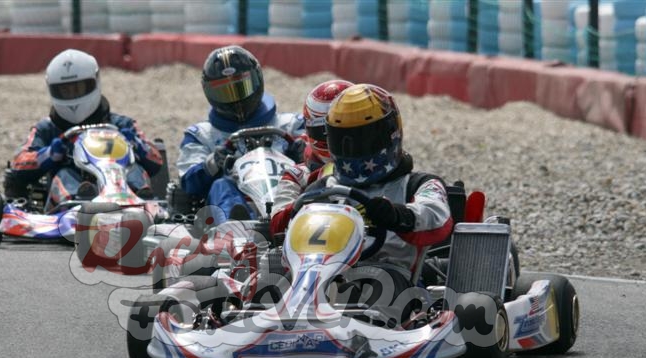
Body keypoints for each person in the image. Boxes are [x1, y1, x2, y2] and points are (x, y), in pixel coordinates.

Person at [271, 84, 454, 309]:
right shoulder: (323, 188)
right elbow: (284, 230)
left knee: (379, 285)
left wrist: (398, 215)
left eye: (363, 139)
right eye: (343, 140)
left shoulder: (416, 184)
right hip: (318, 272)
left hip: (388, 274)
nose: (353, 149)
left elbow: (437, 218)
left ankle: (354, 323)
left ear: (390, 134)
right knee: (271, 280)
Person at [9, 49, 164, 209]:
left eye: (78, 88)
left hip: (119, 181)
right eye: (65, 91)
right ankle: (78, 201)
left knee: (135, 169)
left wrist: (136, 144)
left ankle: (141, 196)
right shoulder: (47, 129)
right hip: (72, 201)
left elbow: (157, 160)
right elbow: (19, 164)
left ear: (94, 83)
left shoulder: (122, 124)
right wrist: (49, 154)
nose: (72, 95)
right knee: (65, 174)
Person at [177, 45, 306, 225]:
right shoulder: (202, 135)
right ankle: (236, 228)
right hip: (233, 204)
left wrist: (302, 155)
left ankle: (294, 222)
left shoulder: (291, 125)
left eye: (242, 87)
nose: (235, 99)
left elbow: (324, 163)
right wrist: (212, 163)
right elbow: (188, 183)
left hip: (287, 197)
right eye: (223, 92)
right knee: (221, 185)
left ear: (257, 80)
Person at [270, 78, 353, 236]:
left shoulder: (376, 169)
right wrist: (312, 194)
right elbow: (276, 226)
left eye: (348, 130)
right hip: (314, 244)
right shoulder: (298, 175)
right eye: (328, 132)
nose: (337, 138)